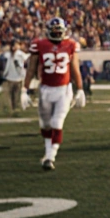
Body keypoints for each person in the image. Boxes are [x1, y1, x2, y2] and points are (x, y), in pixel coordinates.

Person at [25, 17, 85, 171]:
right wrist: (24, 89)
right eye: (55, 31)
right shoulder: (39, 44)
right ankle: (47, 152)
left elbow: (74, 68)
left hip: (64, 89)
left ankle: (51, 157)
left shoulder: (71, 44)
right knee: (45, 124)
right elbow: (31, 68)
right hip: (45, 88)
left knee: (57, 123)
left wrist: (80, 89)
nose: (57, 33)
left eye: (60, 31)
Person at [1, 40, 29, 113]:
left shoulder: (21, 54)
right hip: (9, 77)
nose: (14, 47)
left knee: (17, 95)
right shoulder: (7, 54)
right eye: (13, 45)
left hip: (18, 78)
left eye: (16, 45)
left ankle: (16, 109)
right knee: (9, 95)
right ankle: (10, 109)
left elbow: (26, 61)